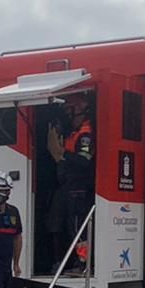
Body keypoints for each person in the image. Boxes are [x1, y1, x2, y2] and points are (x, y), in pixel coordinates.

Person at [48, 101, 95, 274]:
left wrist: (63, 153)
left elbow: (84, 160)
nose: (68, 118)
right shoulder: (73, 134)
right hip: (70, 189)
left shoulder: (85, 135)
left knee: (79, 229)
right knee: (70, 227)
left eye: (70, 113)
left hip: (79, 191)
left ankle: (84, 265)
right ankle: (78, 262)